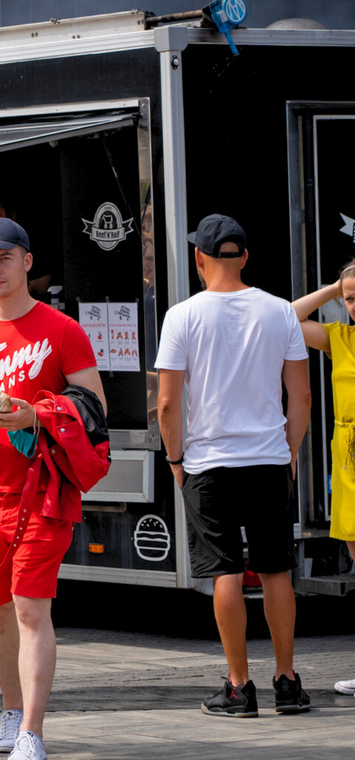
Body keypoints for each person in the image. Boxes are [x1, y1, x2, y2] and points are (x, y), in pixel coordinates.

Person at [0, 218, 105, 760]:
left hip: (43, 490)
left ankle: (33, 731)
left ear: (27, 261)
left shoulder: (62, 329)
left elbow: (94, 410)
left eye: (3, 258)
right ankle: (11, 710)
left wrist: (33, 415)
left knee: (32, 608)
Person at [156, 214, 312, 718]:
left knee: (223, 570)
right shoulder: (280, 312)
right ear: (245, 256)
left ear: (199, 259)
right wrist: (288, 451)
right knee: (275, 570)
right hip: (268, 459)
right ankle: (287, 682)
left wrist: (177, 460)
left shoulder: (182, 316)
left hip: (208, 463)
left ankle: (239, 688)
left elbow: (166, 404)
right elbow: (301, 395)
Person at [289, 259, 355, 698]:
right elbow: (284, 318)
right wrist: (334, 288)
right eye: (351, 298)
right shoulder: (340, 337)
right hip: (348, 456)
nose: (354, 305)